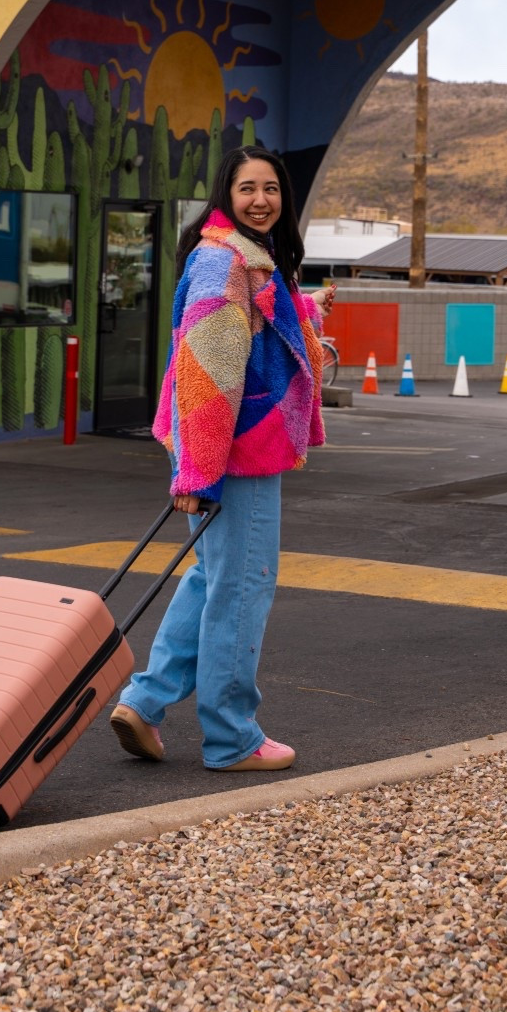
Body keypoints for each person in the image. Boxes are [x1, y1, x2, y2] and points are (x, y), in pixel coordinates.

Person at [109, 142, 332, 772]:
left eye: (271, 189)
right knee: (242, 589)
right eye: (246, 189)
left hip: (218, 451)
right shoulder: (226, 262)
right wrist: (199, 473)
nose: (260, 200)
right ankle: (232, 736)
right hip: (237, 454)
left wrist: (308, 311)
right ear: (224, 197)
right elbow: (209, 373)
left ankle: (146, 702)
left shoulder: (241, 259)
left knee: (210, 578)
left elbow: (251, 333)